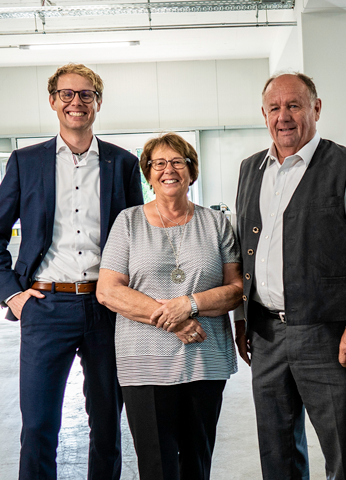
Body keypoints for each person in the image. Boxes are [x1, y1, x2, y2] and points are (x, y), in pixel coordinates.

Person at [0, 63, 143, 480]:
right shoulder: (25, 162)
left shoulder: (123, 163)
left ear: (98, 103)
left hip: (106, 307)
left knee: (107, 424)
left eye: (86, 94)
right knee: (38, 425)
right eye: (67, 94)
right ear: (53, 101)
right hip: (45, 306)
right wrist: (12, 295)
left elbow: (137, 236)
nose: (76, 102)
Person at [232, 73, 346, 480]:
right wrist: (242, 319)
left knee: (341, 449)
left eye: (294, 105)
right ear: (264, 114)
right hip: (265, 334)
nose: (283, 117)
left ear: (316, 108)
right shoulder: (250, 169)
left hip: (327, 334)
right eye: (274, 108)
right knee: (276, 451)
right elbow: (243, 251)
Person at [96, 133, 242, 480]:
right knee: (156, 467)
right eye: (159, 163)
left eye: (178, 162)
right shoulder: (128, 222)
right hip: (144, 364)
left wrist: (189, 304)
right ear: (148, 174)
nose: (169, 170)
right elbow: (108, 291)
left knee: (197, 463)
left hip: (205, 361)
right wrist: (173, 320)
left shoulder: (216, 223)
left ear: (192, 171)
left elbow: (237, 290)